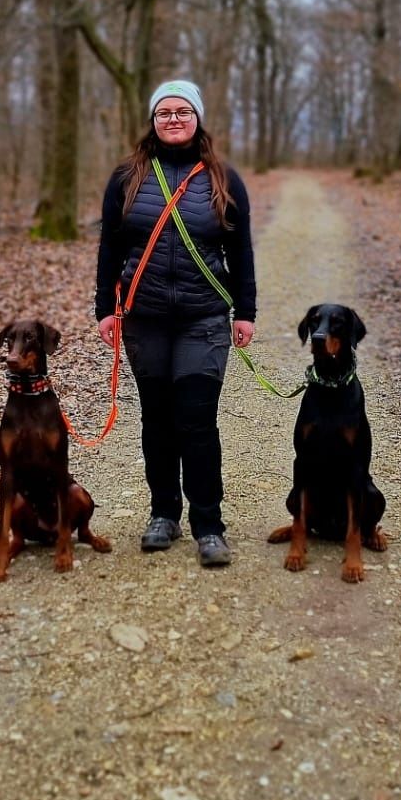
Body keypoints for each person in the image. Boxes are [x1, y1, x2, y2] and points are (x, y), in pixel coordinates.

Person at [95, 79, 256, 566]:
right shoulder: (127, 178)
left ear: (198, 118)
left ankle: (209, 524)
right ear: (152, 120)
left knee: (197, 421)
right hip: (145, 319)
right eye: (164, 112)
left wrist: (245, 312)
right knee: (157, 421)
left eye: (183, 111)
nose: (173, 119)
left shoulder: (223, 179)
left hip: (203, 319)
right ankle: (163, 513)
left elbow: (241, 252)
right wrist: (105, 308)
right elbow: (110, 249)